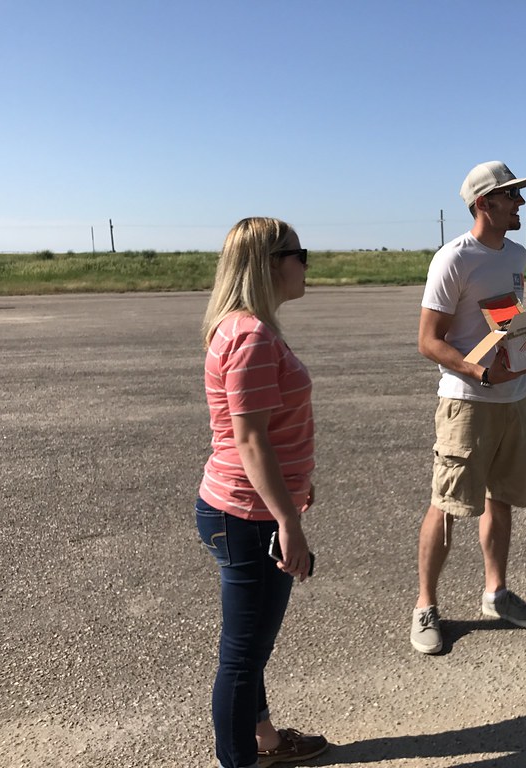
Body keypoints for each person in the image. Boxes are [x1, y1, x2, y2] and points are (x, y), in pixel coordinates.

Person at [195, 217, 330, 767]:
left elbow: (261, 434)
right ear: (272, 263)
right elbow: (250, 441)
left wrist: (297, 485)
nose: (306, 264)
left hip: (244, 507)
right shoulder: (249, 334)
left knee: (248, 647)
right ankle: (240, 761)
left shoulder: (244, 328)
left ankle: (266, 742)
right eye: (301, 253)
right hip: (248, 515)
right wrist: (287, 521)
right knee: (243, 656)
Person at [410, 161, 526, 655]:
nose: (521, 204)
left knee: (501, 499)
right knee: (447, 506)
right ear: (484, 203)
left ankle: (497, 593)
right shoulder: (453, 259)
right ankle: (426, 606)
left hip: (514, 398)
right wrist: (482, 373)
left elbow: (504, 321)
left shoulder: (516, 252)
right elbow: (429, 341)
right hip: (467, 401)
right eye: (512, 196)